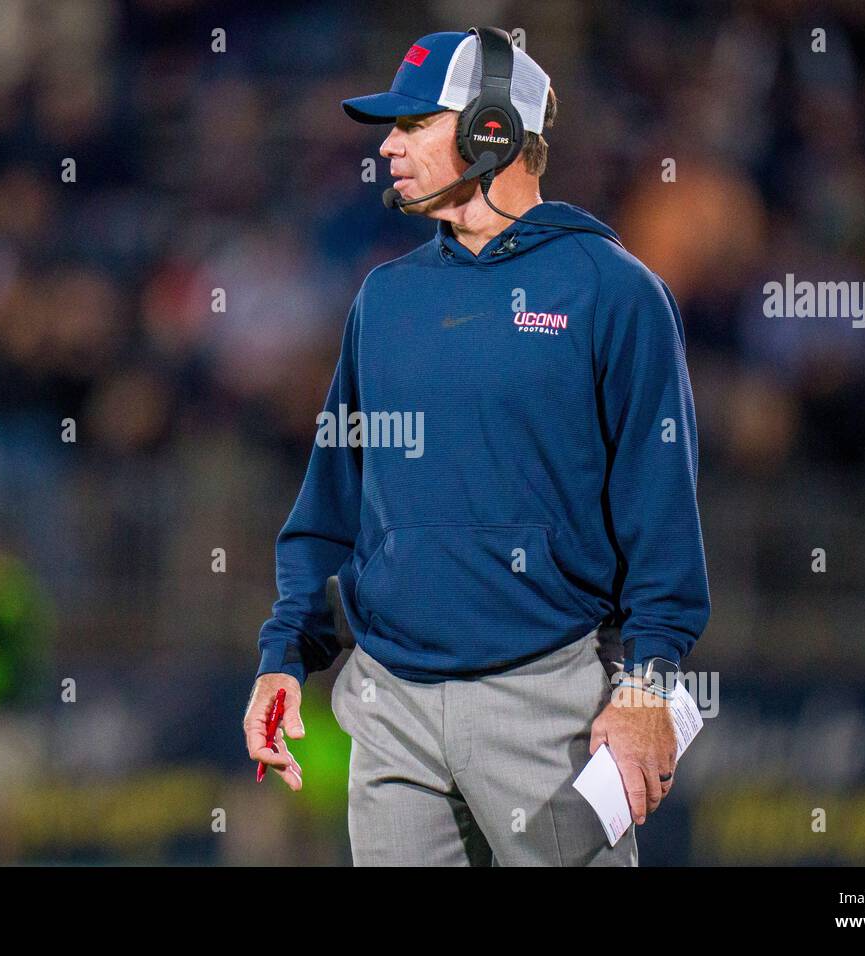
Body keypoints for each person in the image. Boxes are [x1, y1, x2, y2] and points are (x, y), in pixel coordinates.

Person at [243, 27, 710, 866]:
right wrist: (285, 655)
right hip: (387, 704)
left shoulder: (615, 290)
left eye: (414, 122)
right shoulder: (384, 298)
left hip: (549, 703)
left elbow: (661, 512)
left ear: (490, 131)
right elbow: (330, 502)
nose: (386, 146)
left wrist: (646, 684)